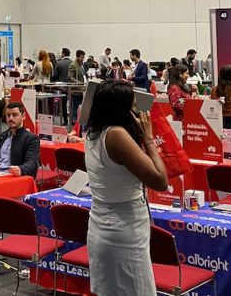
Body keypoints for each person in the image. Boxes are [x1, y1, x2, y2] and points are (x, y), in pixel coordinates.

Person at [83, 81, 168, 295]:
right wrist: (148, 139)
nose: (137, 113)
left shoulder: (94, 132)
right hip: (123, 231)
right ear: (121, 110)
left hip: (103, 226)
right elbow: (160, 180)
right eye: (133, 107)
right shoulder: (116, 135)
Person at [67, 50, 88, 125]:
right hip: (76, 90)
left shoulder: (80, 65)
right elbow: (70, 78)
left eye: (83, 57)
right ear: (77, 56)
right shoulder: (73, 65)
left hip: (81, 89)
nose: (83, 59)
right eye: (81, 57)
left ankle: (77, 122)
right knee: (75, 106)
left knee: (79, 106)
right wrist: (79, 83)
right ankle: (75, 121)